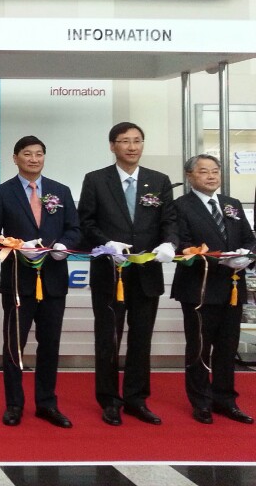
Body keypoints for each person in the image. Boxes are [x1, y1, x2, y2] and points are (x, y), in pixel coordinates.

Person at [77, 122, 178, 426]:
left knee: (141, 339)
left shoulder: (158, 180)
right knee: (108, 338)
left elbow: (169, 220)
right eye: (125, 141)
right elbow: (86, 222)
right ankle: (109, 400)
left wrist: (170, 243)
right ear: (112, 146)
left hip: (147, 273)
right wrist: (106, 243)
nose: (132, 147)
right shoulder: (96, 180)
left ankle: (136, 399)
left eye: (137, 141)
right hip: (110, 273)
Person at [0, 135, 80, 429]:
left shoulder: (60, 191)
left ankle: (47, 403)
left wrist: (64, 245)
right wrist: (12, 243)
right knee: (14, 344)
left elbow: (75, 229)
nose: (34, 159)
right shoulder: (2, 192)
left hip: (53, 279)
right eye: (27, 154)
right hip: (17, 279)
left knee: (50, 344)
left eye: (39, 154)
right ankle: (14, 404)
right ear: (15, 158)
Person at [173, 154, 255, 425]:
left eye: (215, 171)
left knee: (227, 347)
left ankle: (225, 400)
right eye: (204, 171)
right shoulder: (180, 206)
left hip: (232, 286)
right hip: (199, 287)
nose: (211, 176)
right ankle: (201, 402)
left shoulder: (232, 204)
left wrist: (247, 255)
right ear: (190, 176)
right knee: (199, 347)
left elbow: (250, 238)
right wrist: (220, 259)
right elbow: (182, 245)